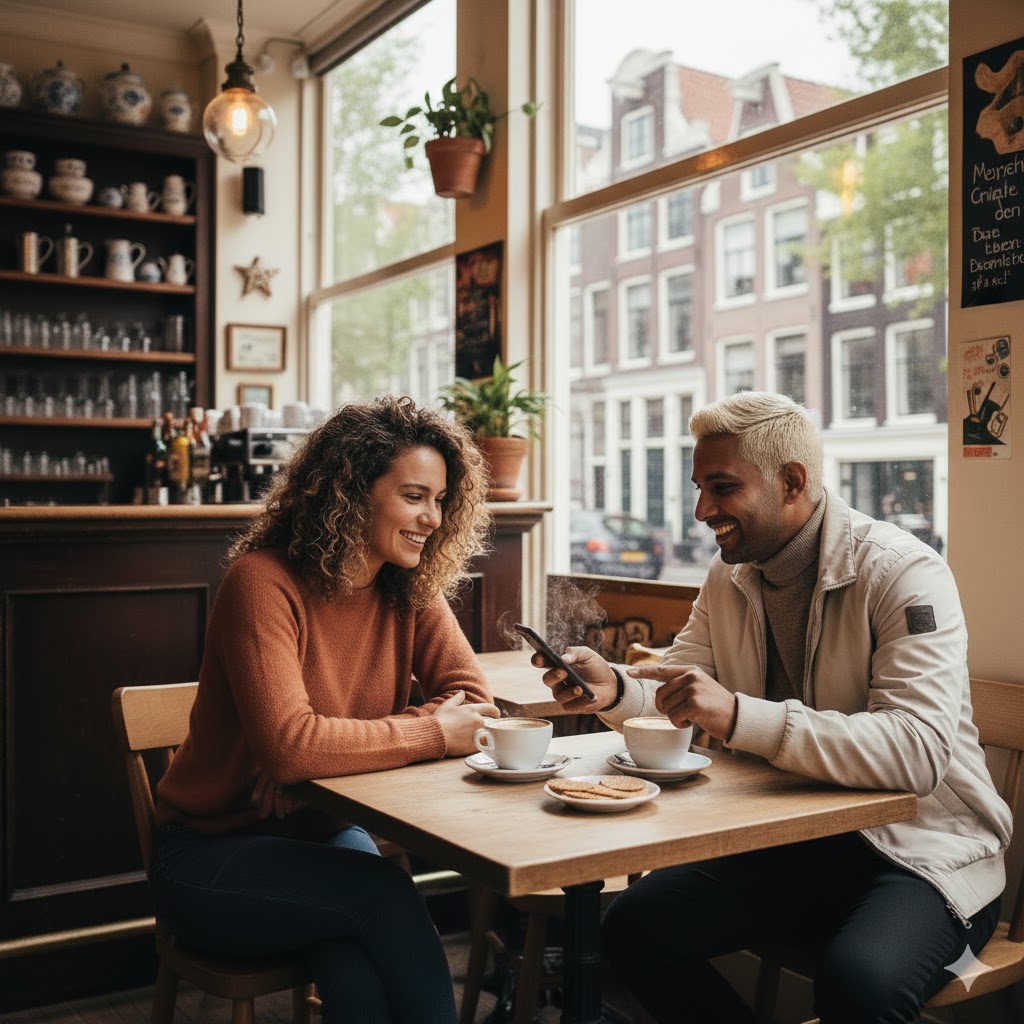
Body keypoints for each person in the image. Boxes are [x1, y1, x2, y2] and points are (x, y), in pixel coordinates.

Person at [535, 391, 1011, 1024]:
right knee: (632, 927)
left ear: (792, 481)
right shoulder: (727, 574)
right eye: (699, 487)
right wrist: (617, 691)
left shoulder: (904, 573)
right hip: (797, 835)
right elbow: (685, 683)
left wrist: (736, 716)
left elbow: (916, 751)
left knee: (861, 984)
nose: (702, 510)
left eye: (722, 487)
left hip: (925, 849)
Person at [150, 395, 500, 1024]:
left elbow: (476, 705)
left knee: (355, 972)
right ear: (350, 492)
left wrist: (318, 769)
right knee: (387, 896)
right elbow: (292, 747)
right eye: (415, 496)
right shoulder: (261, 582)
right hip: (210, 855)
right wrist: (421, 733)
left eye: (441, 499)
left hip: (321, 834)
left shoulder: (409, 587)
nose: (432, 518)